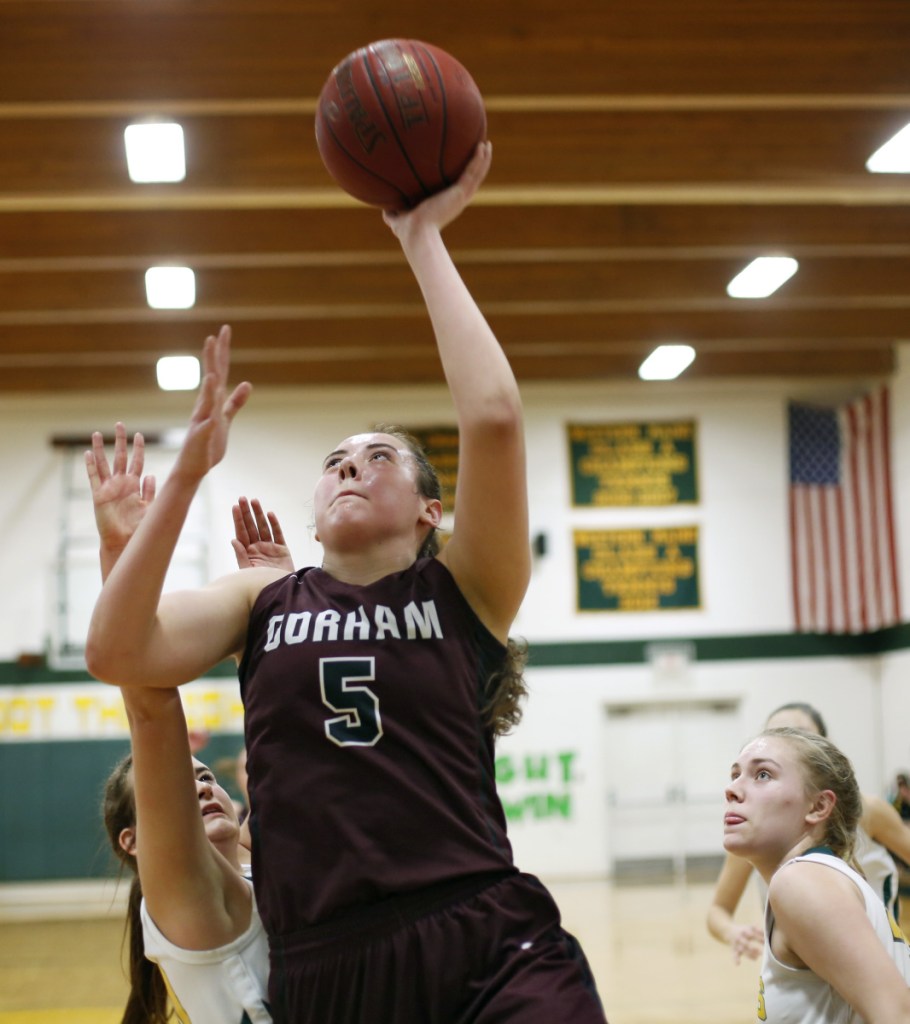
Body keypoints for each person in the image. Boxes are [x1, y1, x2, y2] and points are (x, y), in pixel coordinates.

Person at [85, 144, 607, 1023]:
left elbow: (493, 417)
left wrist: (420, 237)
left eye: (378, 458)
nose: (350, 468)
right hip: (328, 964)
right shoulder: (263, 600)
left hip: (484, 931)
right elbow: (121, 655)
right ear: (316, 507)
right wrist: (184, 479)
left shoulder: (464, 594)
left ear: (431, 512)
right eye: (333, 463)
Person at [89, 422, 272, 1024]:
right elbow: (150, 706)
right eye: (176, 783)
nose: (197, 783)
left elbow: (291, 734)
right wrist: (124, 552)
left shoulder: (255, 864)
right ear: (135, 842)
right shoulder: (188, 904)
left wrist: (272, 611)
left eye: (203, 775)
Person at [724, 726, 910, 1022]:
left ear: (819, 806)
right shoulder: (821, 877)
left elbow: (898, 1015)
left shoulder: (801, 882)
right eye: (735, 774)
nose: (731, 789)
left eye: (763, 775)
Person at [707, 702, 910, 961]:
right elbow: (718, 910)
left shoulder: (869, 811)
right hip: (800, 968)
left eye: (801, 734)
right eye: (777, 735)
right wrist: (733, 932)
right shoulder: (754, 834)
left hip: (877, 961)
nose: (789, 743)